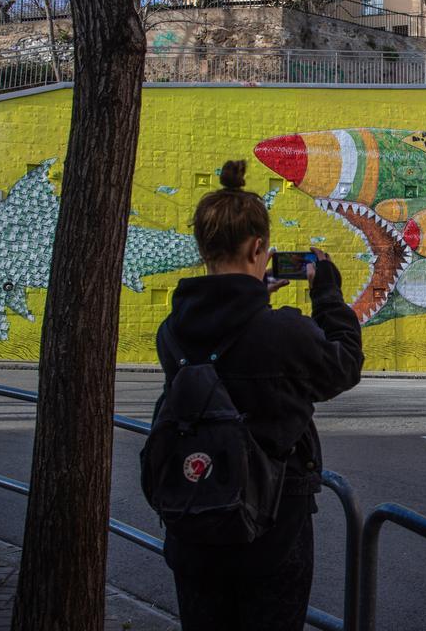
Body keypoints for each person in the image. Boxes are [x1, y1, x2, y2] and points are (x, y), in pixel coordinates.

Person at [153, 160, 363, 630]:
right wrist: (328, 295)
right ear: (258, 248)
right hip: (272, 527)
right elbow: (345, 366)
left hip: (193, 520)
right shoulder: (282, 331)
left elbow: (228, 341)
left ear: (203, 247)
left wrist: (251, 296)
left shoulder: (172, 331)